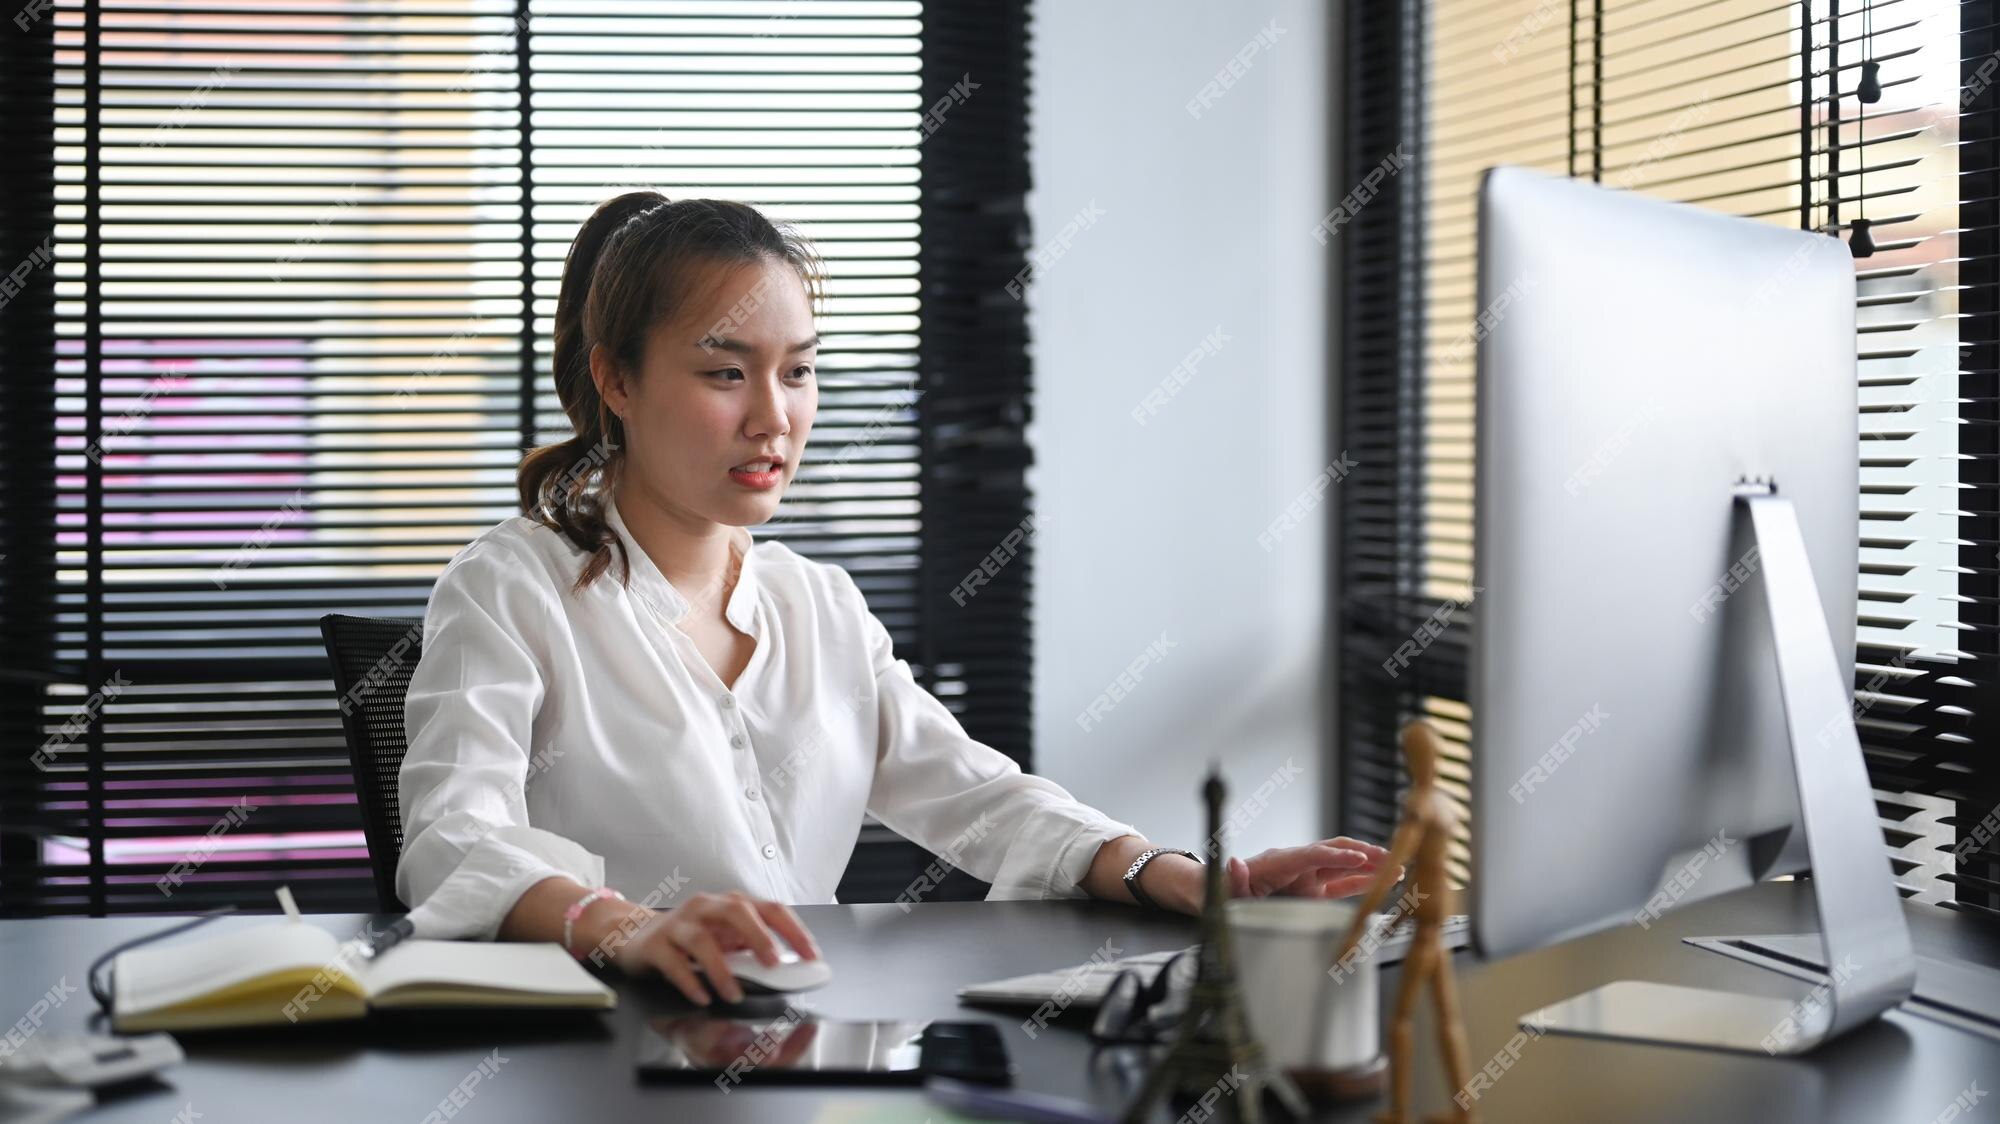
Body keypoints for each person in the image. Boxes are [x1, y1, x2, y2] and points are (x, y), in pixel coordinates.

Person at [396, 192, 1397, 1006]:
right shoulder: (510, 587)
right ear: (615, 378)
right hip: (594, 1066)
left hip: (797, 1044)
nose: (773, 418)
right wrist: (627, 922)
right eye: (722, 373)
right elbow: (453, 836)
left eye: (797, 371)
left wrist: (1167, 870)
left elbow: (976, 794)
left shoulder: (818, 605)